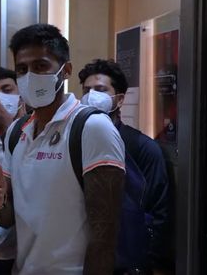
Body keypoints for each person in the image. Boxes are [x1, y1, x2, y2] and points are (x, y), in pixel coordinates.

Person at [0, 24, 126, 275]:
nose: (29, 77)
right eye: (22, 69)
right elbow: (8, 218)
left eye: (40, 66)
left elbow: (105, 236)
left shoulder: (92, 128)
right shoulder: (17, 132)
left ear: (65, 70)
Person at [78, 59, 170, 273]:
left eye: (100, 89)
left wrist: (148, 261)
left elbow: (159, 212)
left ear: (119, 99)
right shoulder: (76, 139)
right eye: (86, 90)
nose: (91, 95)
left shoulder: (143, 148)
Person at [0, 67, 26, 274]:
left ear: (20, 94)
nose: (0, 96)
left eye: (7, 89)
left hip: (23, 249)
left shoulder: (33, 134)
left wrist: (10, 129)